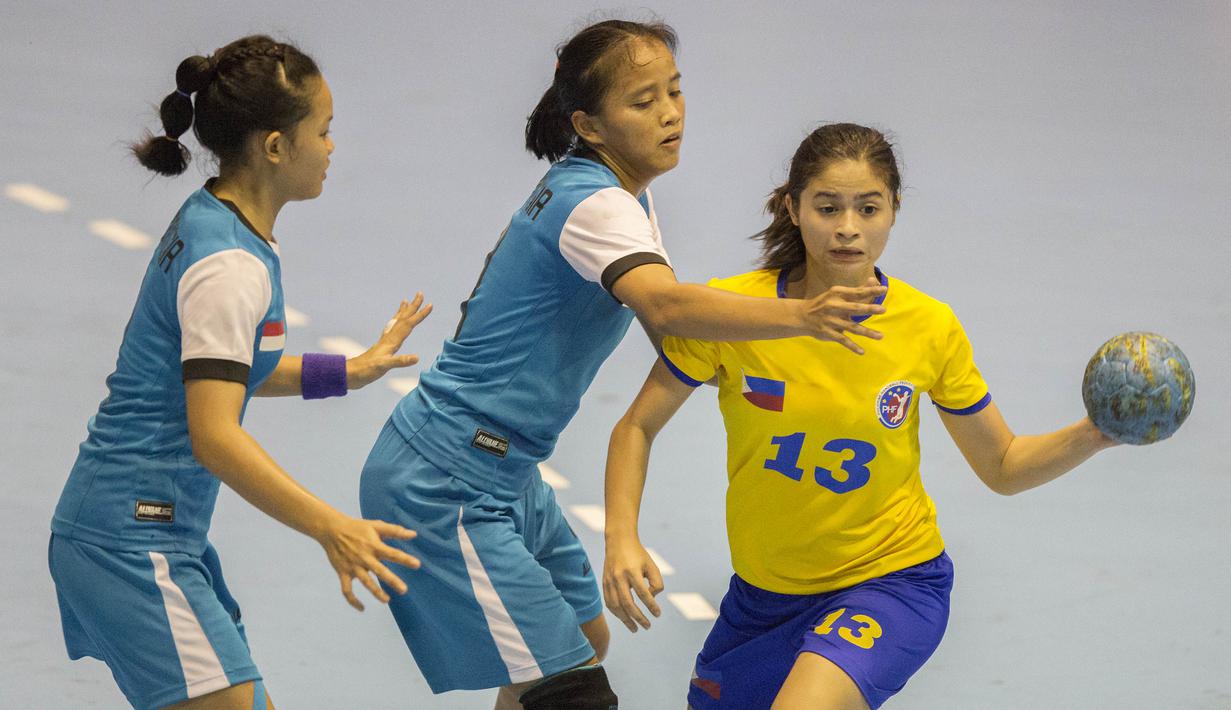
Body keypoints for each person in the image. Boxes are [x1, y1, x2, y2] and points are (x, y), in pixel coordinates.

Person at [358, 20, 889, 710]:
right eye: (642, 102)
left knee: (580, 639)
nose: (669, 113)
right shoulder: (598, 206)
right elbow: (666, 311)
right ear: (589, 123)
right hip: (446, 479)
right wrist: (801, 316)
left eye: (673, 91)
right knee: (570, 689)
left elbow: (675, 327)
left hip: (503, 469)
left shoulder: (617, 194)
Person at [602, 122, 1121, 710]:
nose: (848, 227)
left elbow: (1002, 465)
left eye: (868, 208)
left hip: (891, 582)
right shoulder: (734, 313)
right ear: (793, 208)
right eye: (828, 207)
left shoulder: (928, 327)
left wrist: (1096, 433)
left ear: (894, 210)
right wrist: (621, 539)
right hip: (763, 600)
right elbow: (636, 427)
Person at [49, 35, 431, 710]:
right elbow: (215, 435)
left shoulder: (217, 220)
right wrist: (330, 527)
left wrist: (345, 371)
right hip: (130, 540)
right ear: (276, 146)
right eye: (324, 130)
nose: (333, 147)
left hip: (146, 530)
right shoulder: (229, 267)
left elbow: (230, 368)